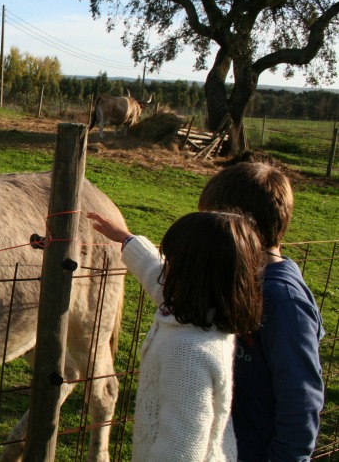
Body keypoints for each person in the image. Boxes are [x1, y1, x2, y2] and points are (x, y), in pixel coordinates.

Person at [86, 210, 264, 461]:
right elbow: (154, 274)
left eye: (170, 262)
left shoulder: (188, 353)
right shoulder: (204, 316)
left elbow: (181, 449)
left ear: (189, 276)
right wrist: (127, 240)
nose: (163, 268)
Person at [198, 160, 324, 461]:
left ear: (243, 229)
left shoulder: (284, 303)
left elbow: (301, 401)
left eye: (211, 225)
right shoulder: (239, 279)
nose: (205, 235)